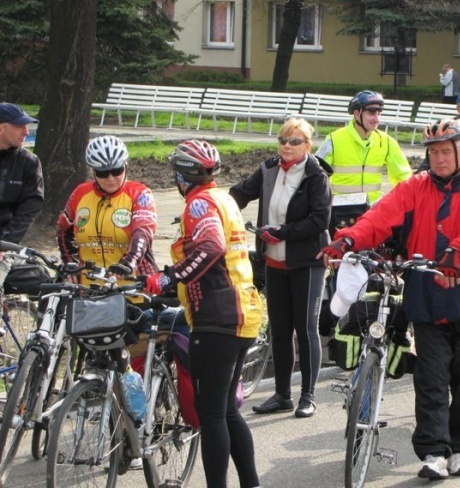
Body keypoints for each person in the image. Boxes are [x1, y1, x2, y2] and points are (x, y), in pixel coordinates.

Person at [320, 118, 460, 480]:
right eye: (433, 152)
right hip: (428, 297)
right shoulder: (415, 186)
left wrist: (458, 251)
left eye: (446, 151)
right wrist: (349, 239)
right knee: (431, 379)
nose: (439, 158)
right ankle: (434, 452)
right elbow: (380, 217)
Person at [145, 139, 263, 488]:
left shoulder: (198, 204)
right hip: (243, 312)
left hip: (216, 317)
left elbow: (211, 247)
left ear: (181, 176)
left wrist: (169, 276)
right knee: (226, 410)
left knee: (210, 415)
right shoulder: (224, 198)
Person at [230, 118, 332, 419]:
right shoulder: (268, 169)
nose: (287, 146)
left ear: (307, 145)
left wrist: (283, 232)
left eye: (294, 141)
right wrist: (217, 208)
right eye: (283, 140)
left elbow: (320, 220)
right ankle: (282, 395)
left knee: (306, 328)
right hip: (274, 261)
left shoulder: (316, 175)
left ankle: (308, 396)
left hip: (307, 261)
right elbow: (238, 193)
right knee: (280, 329)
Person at [56, 135, 158, 284]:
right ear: (93, 171)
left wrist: (128, 263)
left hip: (132, 285)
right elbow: (63, 231)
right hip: (88, 287)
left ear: (126, 167)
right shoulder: (80, 193)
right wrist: (70, 262)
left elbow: (143, 233)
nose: (110, 178)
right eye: (102, 173)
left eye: (117, 170)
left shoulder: (140, 194)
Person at [316, 90, 411, 205]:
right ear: (357, 114)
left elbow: (404, 178)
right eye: (371, 112)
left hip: (373, 209)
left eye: (379, 113)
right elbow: (314, 175)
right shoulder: (333, 140)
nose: (377, 119)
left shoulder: (386, 141)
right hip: (339, 209)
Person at [0, 103, 43, 287]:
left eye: (27, 126)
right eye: (19, 126)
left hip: (6, 246)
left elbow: (29, 209)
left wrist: (5, 243)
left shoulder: (29, 163)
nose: (26, 131)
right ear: (1, 128)